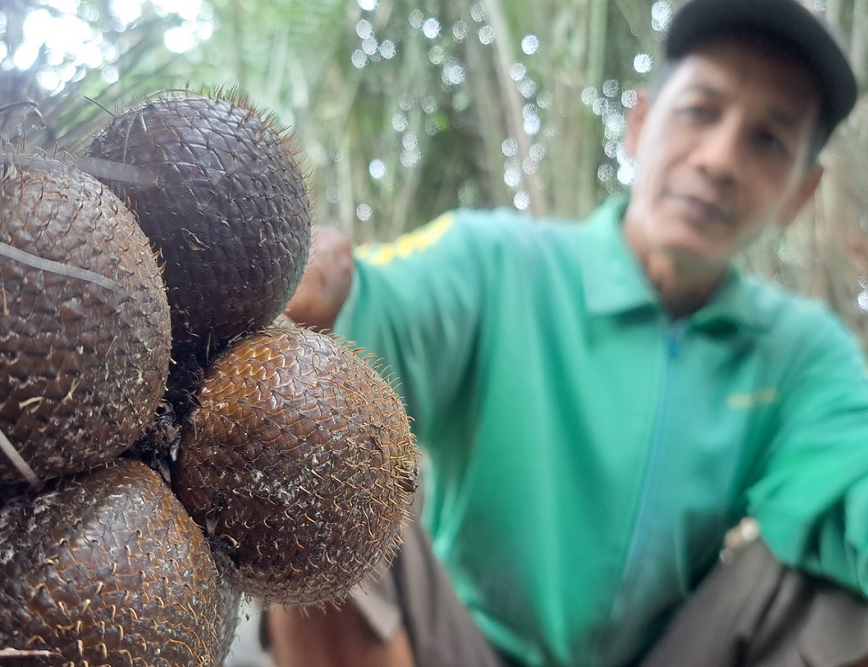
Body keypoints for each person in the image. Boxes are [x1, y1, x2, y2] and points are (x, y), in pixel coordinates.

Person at [268, 0, 868, 665]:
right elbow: (365, 314)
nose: (721, 159)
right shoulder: (495, 265)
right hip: (460, 647)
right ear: (639, 124)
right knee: (309, 442)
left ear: (801, 194)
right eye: (701, 109)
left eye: (768, 140)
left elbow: (852, 485)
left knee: (835, 591)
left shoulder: (802, 354)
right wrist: (311, 295)